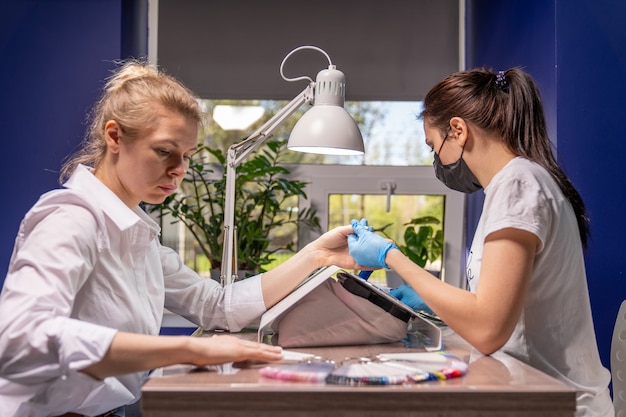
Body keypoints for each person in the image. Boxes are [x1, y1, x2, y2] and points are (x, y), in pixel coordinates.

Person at [0, 60, 359, 417]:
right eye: (164, 151)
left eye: (186, 156)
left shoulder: (135, 234)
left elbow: (217, 306)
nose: (178, 170)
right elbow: (18, 338)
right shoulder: (72, 217)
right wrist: (188, 351)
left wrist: (316, 256)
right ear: (114, 137)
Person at [347, 68, 614, 417]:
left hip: (557, 404)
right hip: (532, 392)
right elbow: (497, 305)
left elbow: (488, 329)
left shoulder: (518, 185)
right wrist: (429, 301)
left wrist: (390, 256)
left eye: (434, 146)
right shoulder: (516, 182)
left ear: (457, 130)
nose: (437, 160)